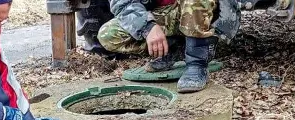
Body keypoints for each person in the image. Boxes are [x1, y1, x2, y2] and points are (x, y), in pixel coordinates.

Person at [98, 0, 240, 93]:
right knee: (109, 35)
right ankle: (175, 48)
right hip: (165, 13)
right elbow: (122, 3)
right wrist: (147, 27)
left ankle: (197, 62)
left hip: (203, 9)